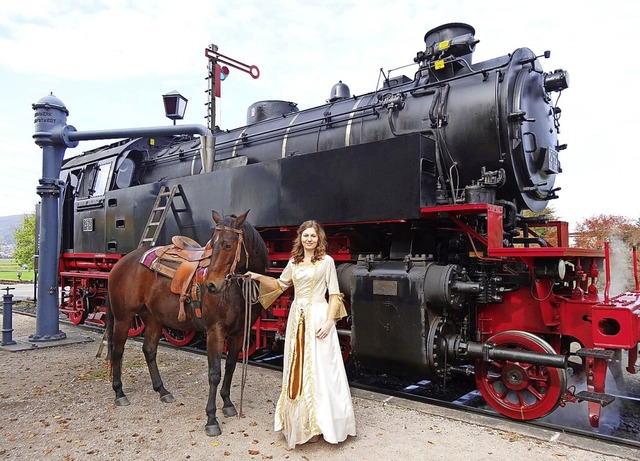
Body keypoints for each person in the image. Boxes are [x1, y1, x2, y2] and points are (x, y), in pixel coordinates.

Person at [247, 220, 356, 448]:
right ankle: (301, 424)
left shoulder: (327, 262)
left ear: (319, 240)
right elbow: (280, 285)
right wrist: (257, 277)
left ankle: (323, 424)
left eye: (313, 236)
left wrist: (329, 322)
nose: (309, 239)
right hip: (298, 318)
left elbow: (334, 294)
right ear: (300, 238)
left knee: (321, 367)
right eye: (306, 235)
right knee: (298, 366)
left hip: (317, 316)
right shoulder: (294, 262)